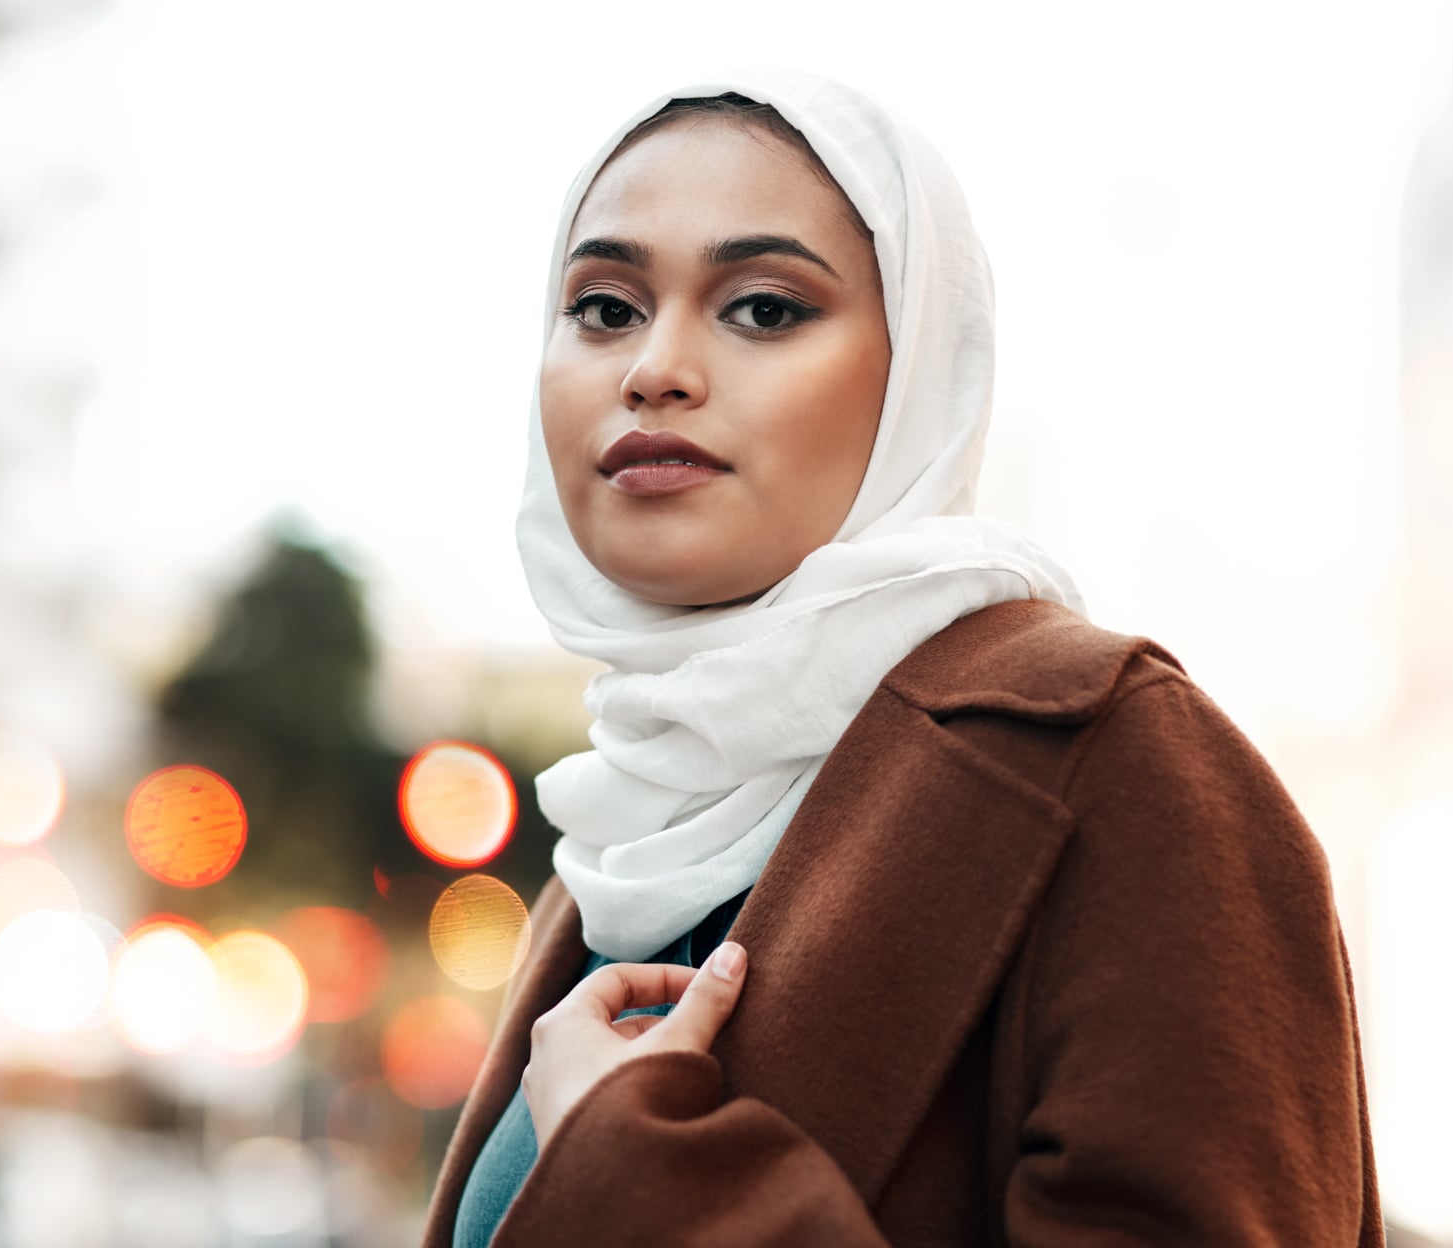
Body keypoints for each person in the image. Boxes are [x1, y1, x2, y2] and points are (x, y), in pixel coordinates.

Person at [424, 69, 1383, 1247]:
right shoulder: (615, 859)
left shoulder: (1103, 756)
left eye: (764, 308)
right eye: (604, 307)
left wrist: (642, 1163)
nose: (652, 367)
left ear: (922, 369)